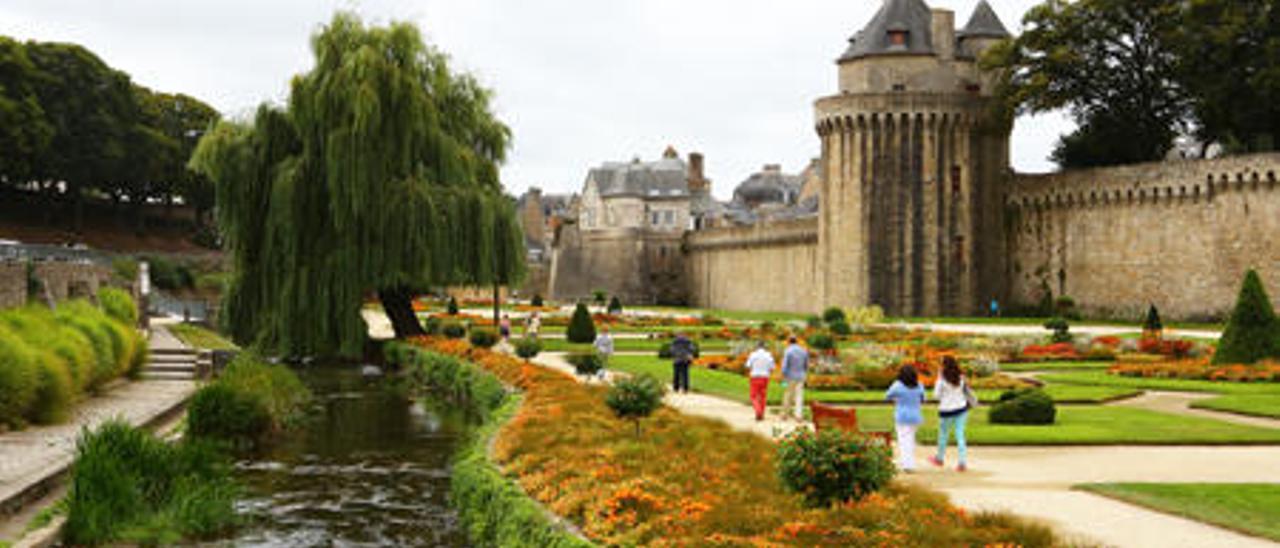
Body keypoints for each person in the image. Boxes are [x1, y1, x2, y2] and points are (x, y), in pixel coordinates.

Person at [931, 356, 972, 472]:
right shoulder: (960, 377)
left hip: (946, 410)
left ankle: (939, 458)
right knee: (960, 435)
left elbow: (936, 396)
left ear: (943, 366)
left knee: (943, 435)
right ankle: (962, 462)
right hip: (961, 408)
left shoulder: (942, 380)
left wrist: (938, 379)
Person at [884, 364, 926, 472]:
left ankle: (908, 465)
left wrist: (897, 399)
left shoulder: (897, 385)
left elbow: (887, 395)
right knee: (910, 440)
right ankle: (910, 463)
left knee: (904, 441)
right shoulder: (919, 385)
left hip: (902, 416)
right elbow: (923, 399)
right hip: (916, 416)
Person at [780, 336, 809, 421]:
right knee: (799, 396)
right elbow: (806, 365)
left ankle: (785, 414)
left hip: (790, 376)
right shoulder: (803, 351)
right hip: (801, 376)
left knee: (788, 394)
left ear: (789, 342)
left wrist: (783, 375)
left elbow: (785, 365)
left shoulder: (788, 351)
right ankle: (798, 415)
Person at [745, 341, 775, 421]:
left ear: (757, 347)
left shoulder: (753, 355)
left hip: (755, 376)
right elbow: (772, 367)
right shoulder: (768, 355)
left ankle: (758, 411)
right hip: (765, 377)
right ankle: (762, 412)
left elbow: (748, 365)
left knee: (753, 396)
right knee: (763, 396)